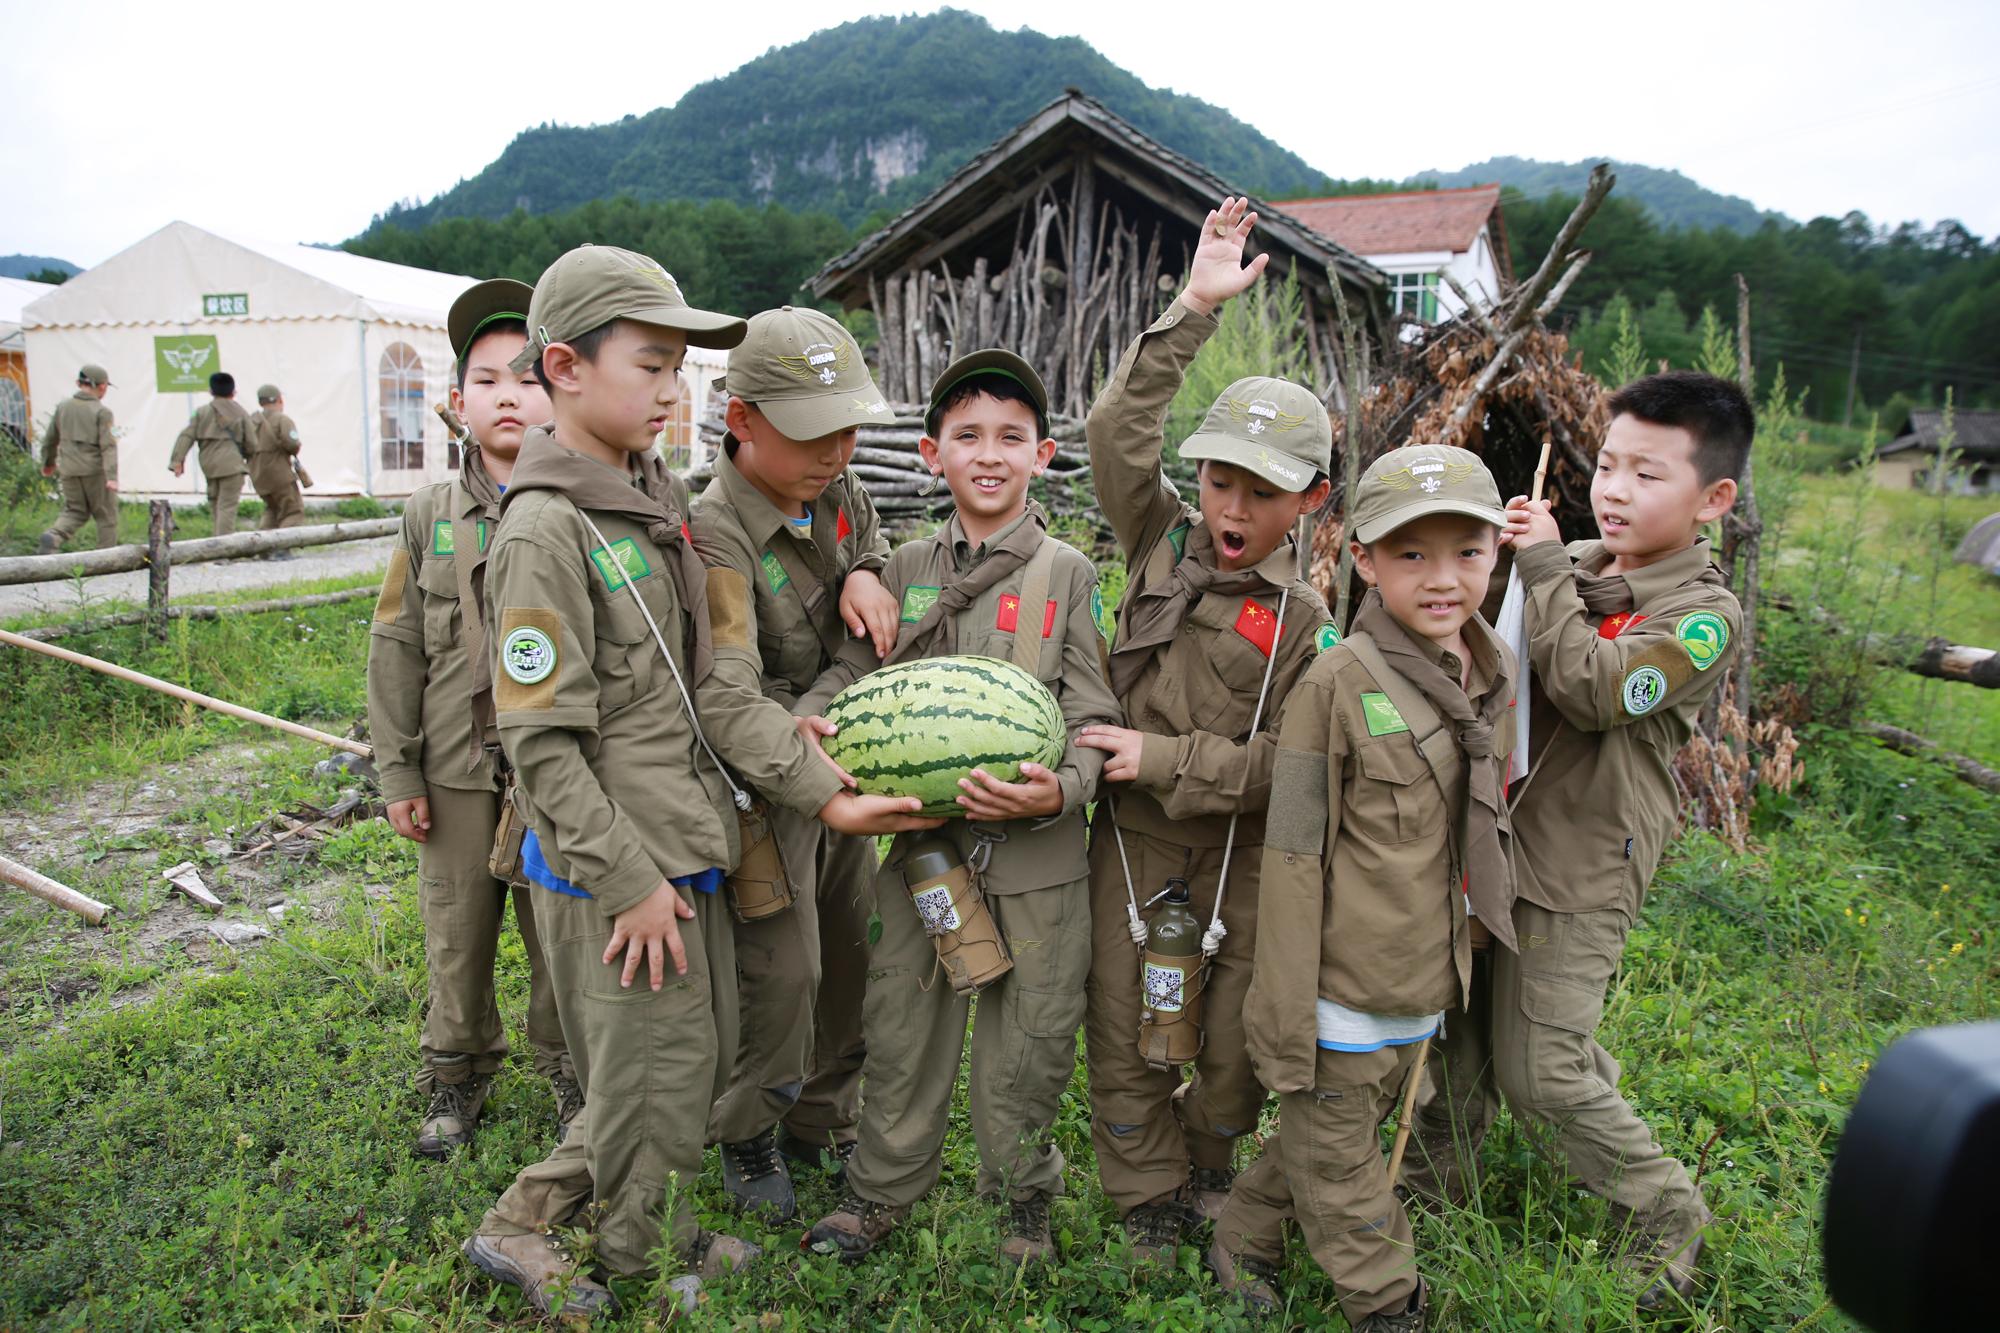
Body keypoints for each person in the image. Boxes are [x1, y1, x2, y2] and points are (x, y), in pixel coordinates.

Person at [457, 245, 930, 1318]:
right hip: (614, 864)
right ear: (565, 368)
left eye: (682, 370)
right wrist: (625, 879)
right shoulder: (543, 528)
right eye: (653, 364)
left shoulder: (646, 494)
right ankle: (574, 1244)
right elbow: (539, 745)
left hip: (689, 835)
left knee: (685, 1061)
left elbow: (712, 673)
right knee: (649, 1071)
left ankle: (657, 1222)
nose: (674, 390)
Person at [1398, 371, 1749, 1309]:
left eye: (1648, 473)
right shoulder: (1574, 559)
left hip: (1581, 866)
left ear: (1715, 497)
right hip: (1490, 839)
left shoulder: (1703, 617)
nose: (1614, 488)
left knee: (1543, 1071)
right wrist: (1500, 561)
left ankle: (1669, 1215)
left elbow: (1594, 690)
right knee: (1457, 1040)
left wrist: (1546, 569)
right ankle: (1433, 1196)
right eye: (1609, 464)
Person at [797, 348, 1121, 1268]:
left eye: (1011, 437)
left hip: (1040, 857)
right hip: (922, 851)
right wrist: (806, 722)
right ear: (932, 453)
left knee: (1031, 1041)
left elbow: (1095, 715)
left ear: (1044, 454)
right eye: (967, 435)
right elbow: (855, 676)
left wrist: (1064, 786)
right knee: (901, 1019)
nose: (989, 453)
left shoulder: (1068, 574)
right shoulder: (898, 568)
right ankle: (880, 1191)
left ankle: (1022, 1199)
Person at [1074, 197, 1334, 1264]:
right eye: (1219, 477)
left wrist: (1167, 758)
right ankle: (1144, 1197)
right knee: (1125, 1031)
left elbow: (1295, 767)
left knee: (1226, 1045)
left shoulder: (1310, 622)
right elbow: (1113, 430)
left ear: (1309, 499)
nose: (1230, 505)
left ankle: (1209, 1169)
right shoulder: (1155, 537)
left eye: (1260, 492)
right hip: (1130, 848)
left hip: (1235, 859)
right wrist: (1191, 306)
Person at [1213, 444, 1517, 1333]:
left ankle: (1243, 1229)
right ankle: (1388, 1301)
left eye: (1466, 552)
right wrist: (1286, 1007)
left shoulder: (1485, 669)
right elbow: (1296, 854)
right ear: (1363, 559)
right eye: (1411, 554)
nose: (1443, 579)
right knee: (1345, 1162)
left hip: (1427, 971)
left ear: (1495, 553)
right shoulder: (1338, 681)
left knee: (1329, 1136)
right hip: (1344, 984)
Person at [690, 304, 902, 1219]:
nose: (838, 448)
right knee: (782, 969)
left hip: (836, 758)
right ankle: (748, 1129)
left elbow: (878, 568)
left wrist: (866, 568)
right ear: (742, 421)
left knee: (850, 946)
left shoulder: (838, 492)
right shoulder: (716, 537)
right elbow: (728, 698)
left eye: (850, 426)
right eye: (815, 430)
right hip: (763, 783)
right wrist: (814, 734)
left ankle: (825, 1112)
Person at [367, 279, 574, 1161]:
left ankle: (571, 1072)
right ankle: (455, 1075)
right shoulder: (427, 518)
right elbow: (397, 649)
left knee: (560, 936)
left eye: (527, 378)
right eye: (487, 381)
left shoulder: (580, 508)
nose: (509, 396)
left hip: (554, 774)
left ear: (558, 389)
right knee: (456, 936)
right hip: (454, 773)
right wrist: (399, 772)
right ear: (457, 403)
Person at [37, 364, 118, 553]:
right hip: (94, 471)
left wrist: (48, 463)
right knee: (106, 516)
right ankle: (106, 560)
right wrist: (112, 476)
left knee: (75, 511)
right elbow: (108, 445)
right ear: (103, 386)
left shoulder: (62, 407)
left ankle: (54, 535)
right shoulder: (102, 411)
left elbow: (50, 439)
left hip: (68, 469)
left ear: (78, 383)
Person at [169, 372, 252, 536]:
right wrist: (249, 458)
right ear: (233, 392)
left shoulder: (201, 412)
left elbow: (186, 435)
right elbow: (252, 442)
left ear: (211, 391)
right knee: (227, 507)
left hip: (209, 465)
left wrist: (177, 460)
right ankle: (224, 549)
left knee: (215, 505)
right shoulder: (241, 413)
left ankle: (216, 543)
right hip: (232, 465)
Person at [249, 385, 307, 534]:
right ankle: (282, 547)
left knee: (272, 509)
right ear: (279, 400)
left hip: (257, 474)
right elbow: (292, 444)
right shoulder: (282, 420)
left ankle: (264, 546)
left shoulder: (251, 421)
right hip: (279, 473)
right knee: (292, 510)